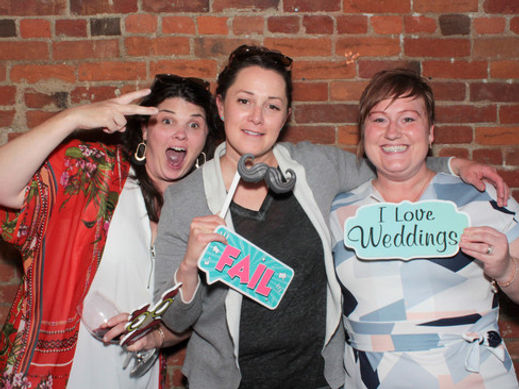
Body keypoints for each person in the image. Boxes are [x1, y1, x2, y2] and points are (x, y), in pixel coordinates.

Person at [153, 45, 509, 389]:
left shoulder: (316, 167)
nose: (257, 117)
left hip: (321, 380)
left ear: (286, 116)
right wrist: (188, 268)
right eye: (244, 101)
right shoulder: (186, 198)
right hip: (227, 382)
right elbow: (174, 322)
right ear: (220, 105)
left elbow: (392, 161)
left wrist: (454, 165)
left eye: (272, 106)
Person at [0, 74, 222, 389]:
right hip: (61, 372)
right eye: (167, 121)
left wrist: (157, 335)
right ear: (145, 129)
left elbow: (202, 313)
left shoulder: (206, 214)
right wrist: (72, 118)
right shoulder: (97, 174)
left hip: (134, 379)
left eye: (195, 125)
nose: (181, 135)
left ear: (204, 142)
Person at [329, 68, 519, 388]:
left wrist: (505, 268)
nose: (393, 132)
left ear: (430, 132)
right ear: (363, 132)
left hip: (471, 379)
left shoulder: (482, 197)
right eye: (378, 119)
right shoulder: (338, 212)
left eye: (408, 119)